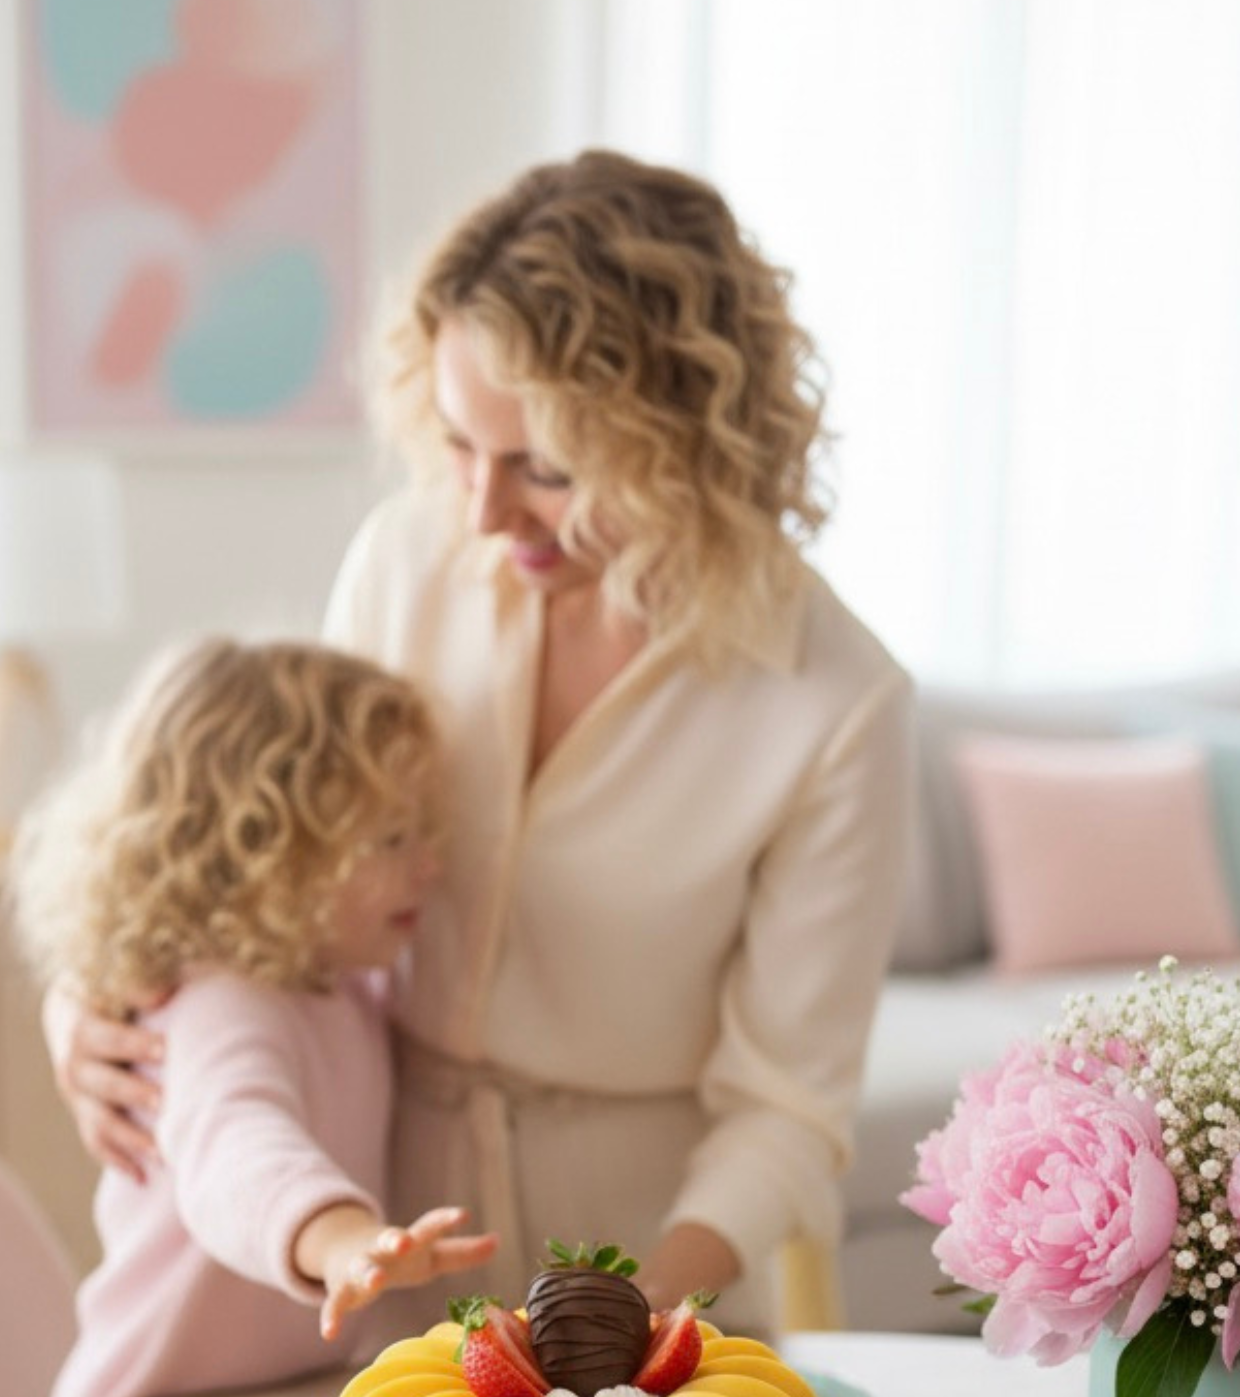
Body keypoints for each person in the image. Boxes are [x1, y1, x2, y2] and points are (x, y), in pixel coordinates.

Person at [47, 149, 914, 1335]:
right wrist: (91, 1011)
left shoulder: (833, 698)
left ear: (683, 444)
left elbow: (787, 1110)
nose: (483, 508)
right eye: (461, 443)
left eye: (546, 468)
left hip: (649, 1250)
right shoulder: (410, 561)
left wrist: (638, 1306)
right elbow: (270, 858)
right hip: (391, 1212)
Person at [13, 636, 497, 1397]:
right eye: (390, 839)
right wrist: (340, 1242)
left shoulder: (344, 983)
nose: (429, 866)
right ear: (267, 852)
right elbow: (233, 1149)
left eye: (424, 832)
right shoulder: (220, 1004)